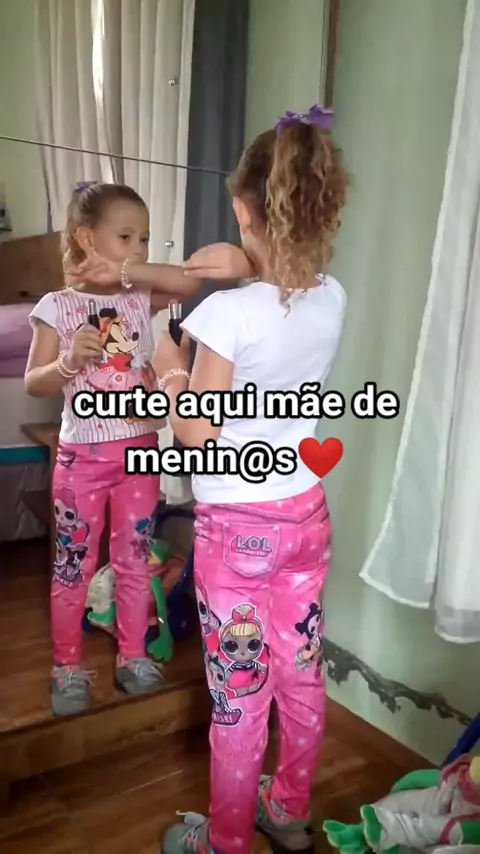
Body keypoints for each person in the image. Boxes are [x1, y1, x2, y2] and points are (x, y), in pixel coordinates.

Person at [151, 105, 349, 854]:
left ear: (243, 210)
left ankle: (226, 840)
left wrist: (170, 372)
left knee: (239, 693)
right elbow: (283, 299)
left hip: (239, 529)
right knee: (300, 671)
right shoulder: (333, 296)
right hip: (305, 515)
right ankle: (287, 812)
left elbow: (198, 435)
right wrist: (247, 262)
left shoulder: (226, 317)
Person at [24, 181, 254, 717]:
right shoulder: (58, 305)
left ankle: (133, 657)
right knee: (73, 567)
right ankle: (66, 668)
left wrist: (126, 269)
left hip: (140, 457)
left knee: (134, 562)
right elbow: (33, 382)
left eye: (145, 238)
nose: (140, 248)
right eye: (125, 237)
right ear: (87, 238)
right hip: (82, 461)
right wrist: (68, 364)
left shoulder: (136, 296)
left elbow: (187, 281)